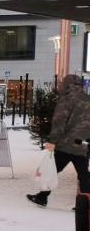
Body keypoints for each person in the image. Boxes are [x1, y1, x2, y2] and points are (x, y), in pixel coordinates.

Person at [27, 74, 90, 207]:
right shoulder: (87, 98)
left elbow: (59, 123)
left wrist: (52, 141)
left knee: (52, 169)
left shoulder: (66, 99)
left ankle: (42, 197)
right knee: (83, 174)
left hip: (66, 143)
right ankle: (85, 203)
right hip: (82, 144)